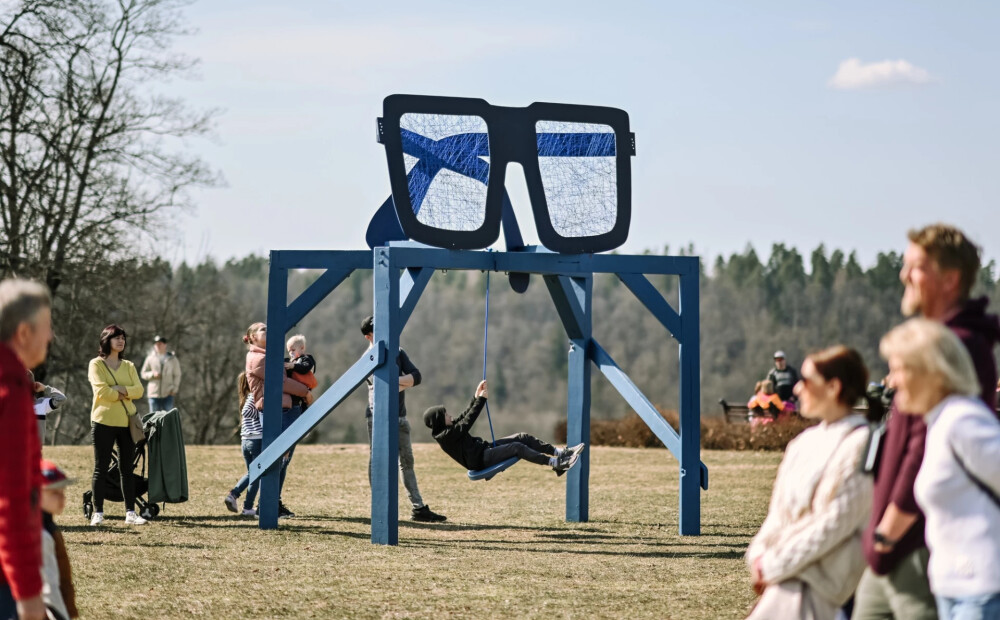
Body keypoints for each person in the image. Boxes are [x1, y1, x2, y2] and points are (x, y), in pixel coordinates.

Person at [854, 224, 1000, 620]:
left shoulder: (958, 347)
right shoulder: (933, 341)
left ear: (950, 279)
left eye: (916, 266)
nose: (904, 275)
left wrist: (888, 530)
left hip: (920, 546)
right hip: (896, 547)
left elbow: (923, 445)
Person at [745, 346, 879, 620]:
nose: (796, 389)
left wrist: (772, 564)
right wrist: (757, 555)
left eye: (806, 380)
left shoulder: (862, 443)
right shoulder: (801, 443)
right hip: (783, 583)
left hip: (826, 595)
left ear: (833, 387)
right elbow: (777, 514)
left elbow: (834, 524)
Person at [880, 319, 1000, 619]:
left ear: (932, 371)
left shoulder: (963, 420)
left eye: (899, 369)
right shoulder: (939, 421)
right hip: (953, 589)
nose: (891, 381)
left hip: (983, 592)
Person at [0, 279, 53, 620]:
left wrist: (47, 477)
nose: (50, 337)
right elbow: (10, 500)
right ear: (23, 333)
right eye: (46, 327)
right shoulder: (10, 391)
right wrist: (29, 595)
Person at [361, 315, 445, 523]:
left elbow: (417, 377)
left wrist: (396, 381)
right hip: (377, 418)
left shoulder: (398, 352)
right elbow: (380, 385)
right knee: (377, 461)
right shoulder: (368, 357)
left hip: (400, 417)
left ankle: (418, 508)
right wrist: (402, 382)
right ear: (368, 336)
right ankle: (378, 506)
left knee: (407, 463)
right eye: (377, 330)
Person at [423, 380, 584, 476]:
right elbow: (467, 422)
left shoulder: (447, 431)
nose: (450, 415)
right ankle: (555, 463)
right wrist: (481, 401)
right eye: (445, 415)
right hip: (481, 460)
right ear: (439, 421)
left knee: (522, 437)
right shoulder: (445, 437)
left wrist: (475, 396)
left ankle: (561, 452)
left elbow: (464, 416)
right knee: (517, 447)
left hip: (484, 449)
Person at [243, 322, 312, 518]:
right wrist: (305, 392)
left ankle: (273, 502)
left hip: (285, 408)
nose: (268, 330)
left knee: (283, 459)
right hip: (276, 411)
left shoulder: (268, 355)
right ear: (253, 337)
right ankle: (267, 503)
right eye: (263, 329)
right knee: (278, 459)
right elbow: (279, 381)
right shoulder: (258, 357)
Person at [87, 324, 146, 526]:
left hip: (127, 423)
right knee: (100, 468)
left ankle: (130, 512)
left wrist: (120, 389)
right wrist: (124, 391)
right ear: (106, 340)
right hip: (103, 421)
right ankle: (98, 513)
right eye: (116, 338)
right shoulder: (96, 364)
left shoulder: (129, 365)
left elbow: (139, 391)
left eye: (123, 338)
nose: (121, 341)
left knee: (126, 469)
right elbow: (103, 392)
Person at [38, 460, 77, 620]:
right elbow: (50, 586)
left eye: (63, 492)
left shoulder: (49, 527)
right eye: (54, 493)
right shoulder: (41, 535)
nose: (62, 498)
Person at [224, 373, 263, 517]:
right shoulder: (255, 397)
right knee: (255, 473)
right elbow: (256, 414)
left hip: (245, 441)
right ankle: (233, 494)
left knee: (253, 475)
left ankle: (247, 509)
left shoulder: (245, 399)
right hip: (256, 440)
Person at [140, 335, 181, 413]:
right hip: (153, 394)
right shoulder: (150, 358)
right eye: (156, 344)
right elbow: (143, 373)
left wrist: (174, 389)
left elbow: (177, 375)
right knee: (153, 419)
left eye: (160, 343)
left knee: (167, 418)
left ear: (165, 345)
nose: (158, 346)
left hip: (168, 393)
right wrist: (152, 374)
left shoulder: (172, 359)